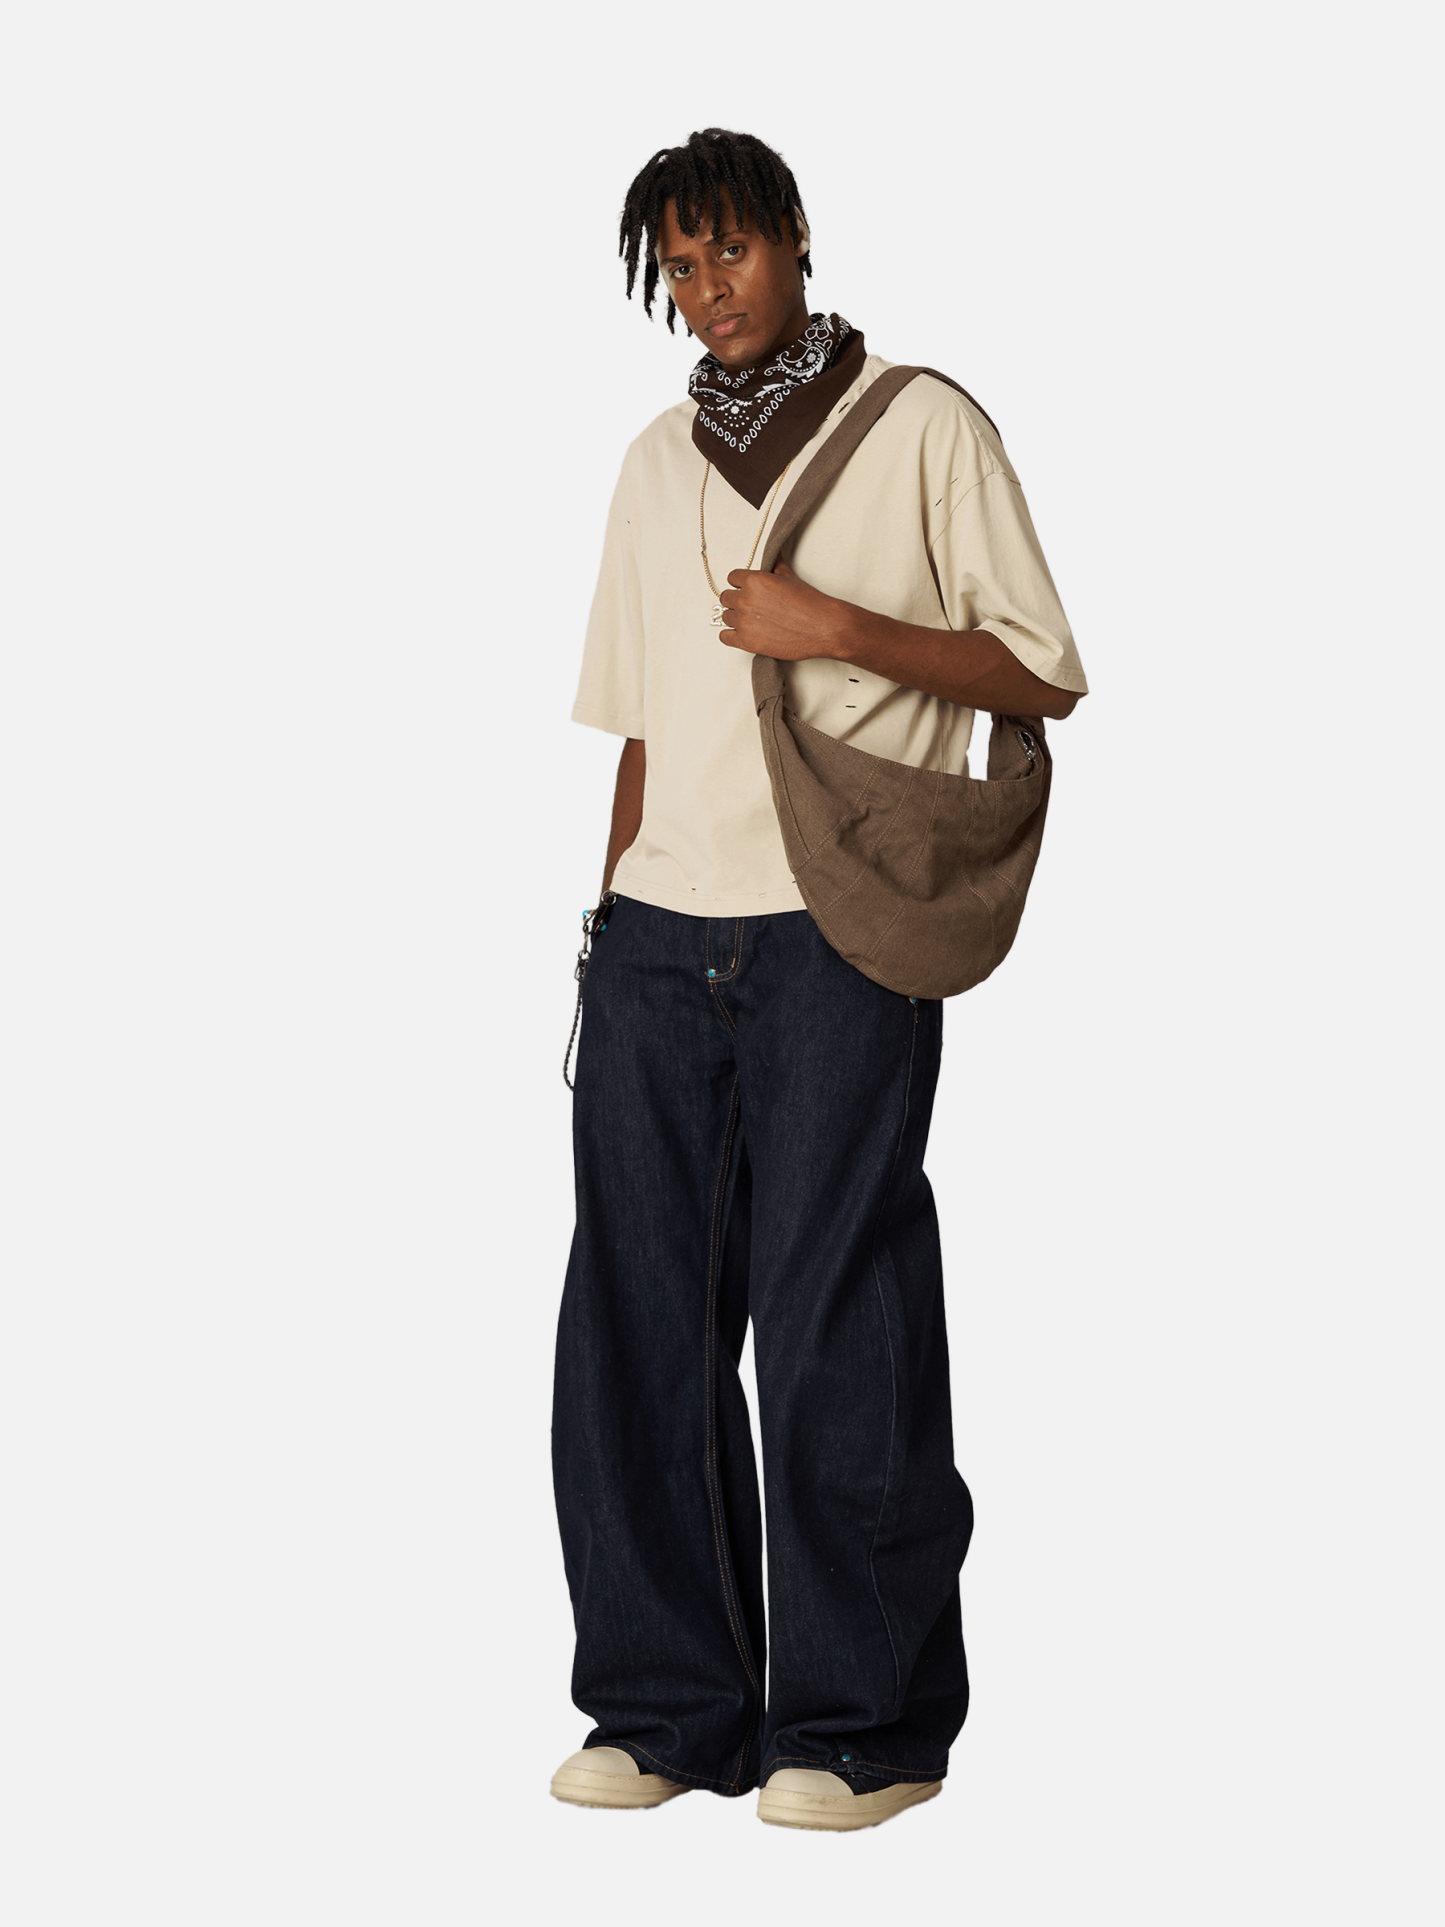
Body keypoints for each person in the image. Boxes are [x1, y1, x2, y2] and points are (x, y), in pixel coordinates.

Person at [550, 128, 1087, 1833]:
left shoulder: (918, 425)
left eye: (731, 250)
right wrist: (605, 926)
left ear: (794, 236)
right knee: (634, 1324)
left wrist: (835, 628)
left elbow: (1044, 671)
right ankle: (668, 1705)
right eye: (678, 266)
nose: (708, 289)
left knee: (837, 1316)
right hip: (658, 932)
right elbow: (644, 726)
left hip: (835, 929)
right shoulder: (653, 462)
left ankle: (865, 1726)